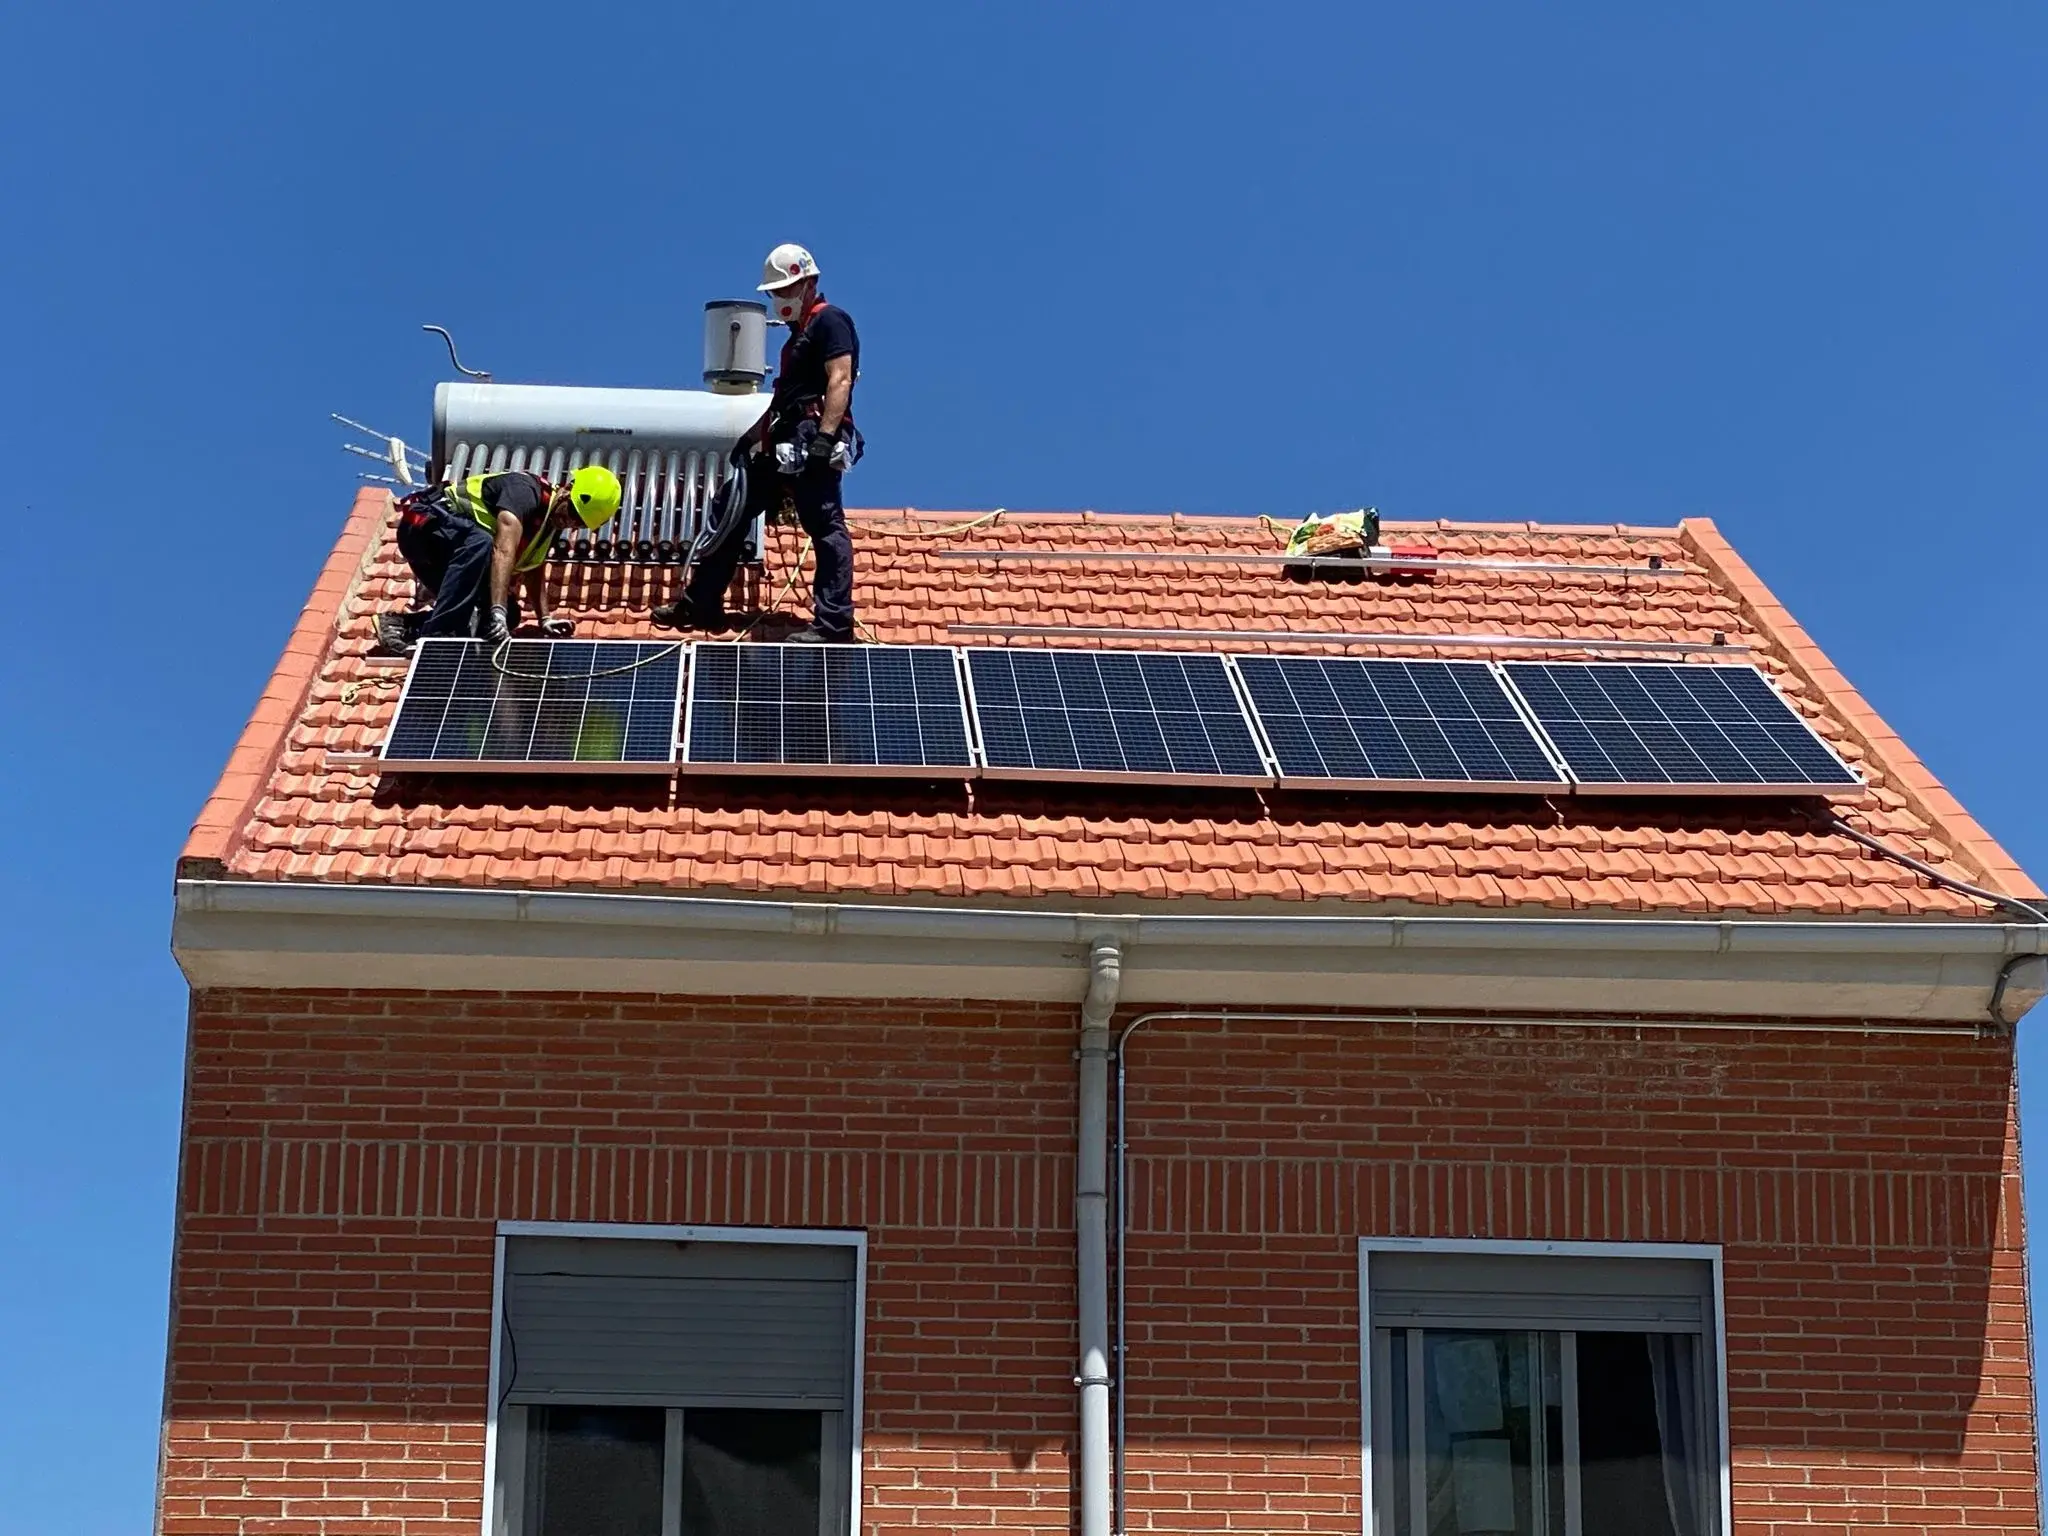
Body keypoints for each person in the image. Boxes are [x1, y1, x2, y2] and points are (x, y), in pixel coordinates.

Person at [655, 242, 863, 644]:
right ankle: (701, 603)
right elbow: (783, 401)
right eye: (776, 292)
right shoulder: (794, 340)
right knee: (730, 509)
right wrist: (752, 438)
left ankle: (834, 622)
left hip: (809, 440)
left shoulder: (830, 322)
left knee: (824, 524)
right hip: (780, 442)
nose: (780, 299)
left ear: (809, 283)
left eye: (786, 289)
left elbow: (840, 379)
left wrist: (825, 439)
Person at [375, 465, 622, 655]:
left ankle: (400, 625)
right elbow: (503, 549)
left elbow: (533, 568)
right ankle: (440, 637)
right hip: (423, 530)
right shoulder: (525, 492)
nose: (571, 523)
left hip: (457, 555)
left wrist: (544, 619)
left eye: (579, 523)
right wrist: (497, 611)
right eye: (573, 513)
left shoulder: (549, 524)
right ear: (568, 490)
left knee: (508, 615)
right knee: (480, 543)